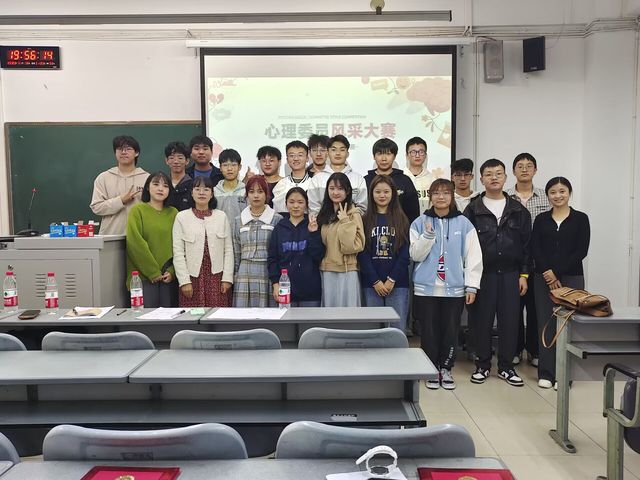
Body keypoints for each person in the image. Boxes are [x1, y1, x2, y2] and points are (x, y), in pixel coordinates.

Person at [463, 159, 531, 387]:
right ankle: (482, 365)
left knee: (510, 322)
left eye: (498, 173)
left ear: (505, 177)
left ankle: (506, 367)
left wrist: (524, 275)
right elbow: (465, 246)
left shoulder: (518, 210)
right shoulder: (473, 209)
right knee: (480, 321)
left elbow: (527, 246)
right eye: (489, 174)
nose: (494, 177)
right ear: (481, 179)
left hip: (511, 274)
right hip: (483, 275)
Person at [410, 179, 482, 390]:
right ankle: (431, 369)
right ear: (430, 196)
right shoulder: (419, 222)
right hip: (426, 289)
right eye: (436, 193)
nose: (441, 197)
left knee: (450, 330)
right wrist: (427, 236)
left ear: (452, 196)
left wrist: (471, 286)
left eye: (445, 193)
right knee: (429, 331)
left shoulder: (464, 223)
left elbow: (473, 257)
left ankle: (446, 368)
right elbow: (415, 255)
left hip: (454, 289)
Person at [532, 177, 590, 389]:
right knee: (546, 323)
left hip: (572, 277)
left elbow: (581, 250)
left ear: (569, 193)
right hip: (543, 279)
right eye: (553, 192)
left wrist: (556, 273)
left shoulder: (581, 219)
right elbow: (535, 248)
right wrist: (547, 273)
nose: (558, 195)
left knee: (568, 324)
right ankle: (546, 372)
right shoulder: (541, 219)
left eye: (562, 191)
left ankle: (565, 374)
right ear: (548, 195)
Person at [506, 152, 551, 368]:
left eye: (529, 165)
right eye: (520, 166)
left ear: (535, 170)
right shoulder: (505, 197)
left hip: (538, 263)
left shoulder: (545, 197)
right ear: (513, 171)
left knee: (536, 309)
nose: (524, 169)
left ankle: (534, 350)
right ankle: (515, 349)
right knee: (513, 309)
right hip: (513, 262)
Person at [359, 175, 410, 331]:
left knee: (396, 330)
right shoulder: (364, 220)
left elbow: (405, 253)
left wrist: (392, 279)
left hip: (398, 284)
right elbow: (362, 253)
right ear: (371, 194)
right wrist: (375, 281)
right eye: (378, 192)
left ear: (393, 193)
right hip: (371, 284)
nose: (382, 195)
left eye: (386, 192)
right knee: (373, 330)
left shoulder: (402, 219)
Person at [172, 176, 233, 308]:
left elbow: (228, 250)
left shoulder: (221, 216)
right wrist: (184, 281)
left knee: (217, 315)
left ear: (212, 194)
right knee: (192, 315)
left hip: (217, 277)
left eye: (206, 189)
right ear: (191, 193)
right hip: (192, 278)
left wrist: (227, 278)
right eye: (197, 189)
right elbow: (178, 252)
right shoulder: (181, 217)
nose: (201, 193)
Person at [126, 171, 178, 307]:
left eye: (165, 186)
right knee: (144, 315)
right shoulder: (137, 211)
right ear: (148, 188)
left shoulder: (174, 213)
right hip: (142, 277)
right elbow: (135, 243)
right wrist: (152, 272)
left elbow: (179, 245)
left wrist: (172, 271)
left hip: (168, 276)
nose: (160, 189)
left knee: (168, 316)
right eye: (156, 184)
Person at [268, 187, 324, 307]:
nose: (296, 206)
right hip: (285, 288)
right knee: (286, 319)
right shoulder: (279, 228)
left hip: (310, 290)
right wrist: (275, 283)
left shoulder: (313, 225)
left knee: (310, 319)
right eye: (292, 202)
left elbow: (319, 256)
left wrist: (313, 234)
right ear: (286, 204)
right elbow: (273, 258)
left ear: (306, 204)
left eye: (300, 202)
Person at [233, 175, 283, 307]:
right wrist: (235, 275)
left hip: (267, 272)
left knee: (268, 313)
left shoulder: (277, 219)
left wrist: (277, 279)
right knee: (243, 314)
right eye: (251, 192)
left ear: (266, 194)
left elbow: (279, 253)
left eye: (260, 191)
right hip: (244, 274)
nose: (256, 195)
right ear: (246, 195)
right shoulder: (238, 220)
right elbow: (236, 251)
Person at [317, 172, 365, 307]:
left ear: (347, 191)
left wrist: (344, 221)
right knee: (329, 313)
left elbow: (354, 246)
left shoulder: (353, 214)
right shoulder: (324, 214)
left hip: (347, 271)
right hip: (327, 270)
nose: (335, 192)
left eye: (340, 188)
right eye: (332, 188)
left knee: (348, 313)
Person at [90, 135, 149, 235]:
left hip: (139, 236)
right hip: (110, 235)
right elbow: (96, 207)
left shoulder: (147, 178)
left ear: (136, 153)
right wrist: (120, 200)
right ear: (115, 153)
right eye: (120, 149)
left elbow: (153, 208)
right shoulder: (103, 177)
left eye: (128, 149)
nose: (123, 152)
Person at [307, 135, 368, 215]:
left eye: (342, 150)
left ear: (347, 154)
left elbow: (362, 207)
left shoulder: (358, 179)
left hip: (350, 222)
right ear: (328, 153)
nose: (338, 153)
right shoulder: (317, 179)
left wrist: (347, 218)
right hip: (324, 222)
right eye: (333, 150)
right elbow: (314, 209)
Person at [365, 138, 420, 223]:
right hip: (370, 227)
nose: (384, 158)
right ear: (374, 156)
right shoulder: (366, 180)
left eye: (388, 154)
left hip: (400, 228)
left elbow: (413, 213)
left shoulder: (404, 180)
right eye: (379, 154)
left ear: (394, 156)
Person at [272, 140, 313, 213]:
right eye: (291, 155)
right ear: (287, 160)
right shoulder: (281, 185)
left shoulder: (313, 183)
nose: (296, 159)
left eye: (300, 155)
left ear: (307, 158)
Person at [213, 148, 247, 226]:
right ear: (220, 168)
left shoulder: (246, 191)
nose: (229, 169)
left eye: (233, 165)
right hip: (219, 232)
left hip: (241, 232)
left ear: (239, 167)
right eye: (225, 165)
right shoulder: (214, 192)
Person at [403, 136, 435, 213]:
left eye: (421, 152)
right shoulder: (401, 178)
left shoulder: (432, 179)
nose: (417, 156)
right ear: (407, 155)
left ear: (425, 155)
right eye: (413, 152)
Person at [165, 141, 193, 211]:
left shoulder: (193, 185)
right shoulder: (162, 183)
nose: (176, 161)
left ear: (187, 161)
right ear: (166, 161)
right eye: (172, 158)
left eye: (180, 158)